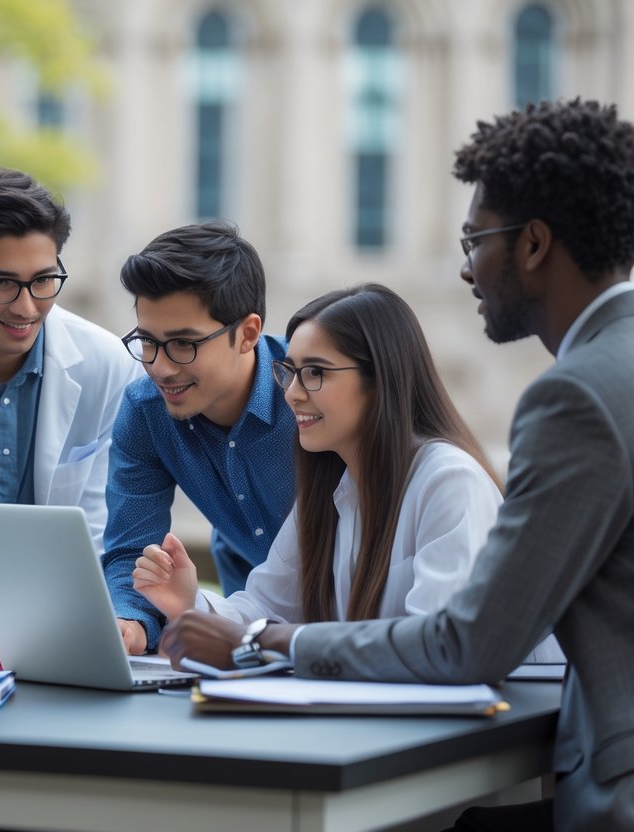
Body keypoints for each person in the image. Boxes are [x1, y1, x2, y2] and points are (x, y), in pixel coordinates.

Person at [160, 99, 634, 830]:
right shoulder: (333, 485)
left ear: (534, 243)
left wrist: (260, 641)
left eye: (475, 240)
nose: (466, 268)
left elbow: (468, 641)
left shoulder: (574, 397)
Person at [134, 285, 560, 654]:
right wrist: (189, 601)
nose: (292, 393)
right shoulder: (332, 488)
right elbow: (266, 607)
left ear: (380, 380)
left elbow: (436, 645)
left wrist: (273, 643)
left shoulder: (449, 481)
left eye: (315, 373)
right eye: (290, 372)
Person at [0, 167, 141, 552]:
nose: (26, 307)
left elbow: (104, 528)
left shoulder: (109, 364)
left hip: (60, 584)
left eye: (42, 280)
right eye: (1, 283)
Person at [101, 220, 296, 655]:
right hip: (245, 625)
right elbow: (133, 551)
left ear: (247, 334)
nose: (160, 367)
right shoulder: (145, 411)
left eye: (183, 344)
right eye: (147, 341)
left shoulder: (309, 393)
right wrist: (130, 623)